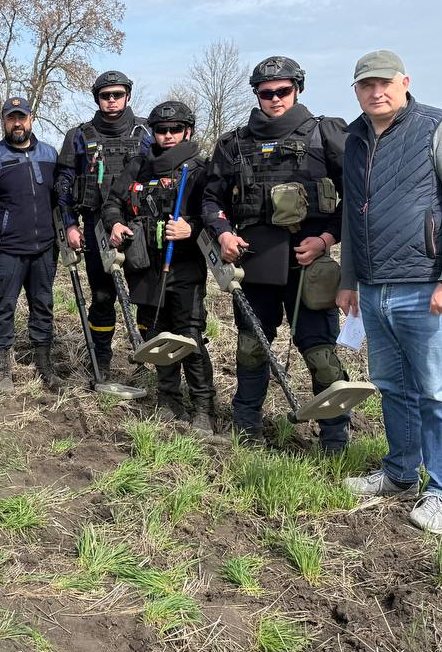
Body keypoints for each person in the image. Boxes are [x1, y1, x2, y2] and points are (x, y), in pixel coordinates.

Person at [337, 50, 442, 534]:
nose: (375, 92)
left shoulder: (439, 128)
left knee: (438, 393)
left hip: (426, 288)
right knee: (391, 387)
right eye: (366, 85)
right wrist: (348, 280)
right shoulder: (356, 139)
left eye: (384, 83)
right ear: (357, 91)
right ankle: (400, 473)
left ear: (404, 82)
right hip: (374, 289)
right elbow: (352, 216)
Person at [201, 55, 351, 451]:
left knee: (320, 352)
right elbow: (210, 198)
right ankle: (246, 423)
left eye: (283, 91)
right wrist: (223, 232)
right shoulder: (233, 144)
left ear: (297, 89)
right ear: (257, 95)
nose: (275, 99)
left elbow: (357, 199)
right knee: (252, 345)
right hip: (254, 263)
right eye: (266, 93)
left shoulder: (327, 135)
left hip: (310, 264)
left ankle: (335, 435)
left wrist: (326, 240)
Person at [102, 101, 215, 431]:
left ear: (187, 131)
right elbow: (113, 203)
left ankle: (204, 408)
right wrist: (115, 224)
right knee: (157, 335)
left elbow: (216, 214)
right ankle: (168, 399)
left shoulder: (198, 169)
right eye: (161, 130)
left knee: (190, 337)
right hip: (144, 265)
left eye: (175, 130)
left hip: (185, 268)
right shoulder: (138, 165)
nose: (167, 136)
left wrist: (191, 228)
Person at [55, 70, 152, 377]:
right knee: (102, 296)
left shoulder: (148, 132)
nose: (111, 101)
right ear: (97, 98)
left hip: (139, 225)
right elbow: (64, 185)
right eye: (105, 95)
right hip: (96, 226)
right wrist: (70, 225)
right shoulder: (79, 136)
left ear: (128, 95)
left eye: (117, 95)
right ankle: (101, 359)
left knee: (146, 295)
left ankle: (148, 362)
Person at [0, 95, 61, 394]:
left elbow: (58, 202)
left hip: (45, 249)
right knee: (4, 307)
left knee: (43, 305)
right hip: (7, 250)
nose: (17, 123)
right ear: (4, 121)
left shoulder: (50, 155)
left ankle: (44, 363)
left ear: (31, 118)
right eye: (11, 118)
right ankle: (3, 366)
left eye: (22, 117)